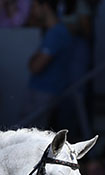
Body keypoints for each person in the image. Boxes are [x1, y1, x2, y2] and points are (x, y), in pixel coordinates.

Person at [22, 0, 72, 129]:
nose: (32, 11)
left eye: (34, 6)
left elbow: (35, 66)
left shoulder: (56, 33)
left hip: (45, 94)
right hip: (42, 93)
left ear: (45, 6)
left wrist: (34, 60)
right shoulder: (52, 31)